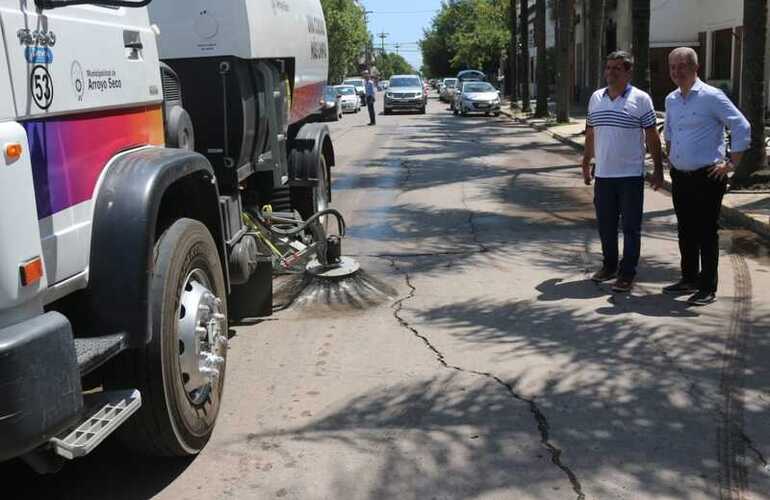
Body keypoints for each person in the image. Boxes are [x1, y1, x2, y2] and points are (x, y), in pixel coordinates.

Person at [662, 47, 750, 306]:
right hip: (681, 176)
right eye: (673, 67)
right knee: (685, 230)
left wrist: (731, 163)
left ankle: (707, 287)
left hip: (708, 176)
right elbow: (668, 131)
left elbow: (741, 125)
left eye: (682, 66)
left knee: (706, 232)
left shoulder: (712, 96)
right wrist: (672, 155)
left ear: (695, 68)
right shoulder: (671, 99)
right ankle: (688, 278)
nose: (677, 72)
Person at [581, 50, 664, 292]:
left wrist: (658, 170)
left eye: (617, 68)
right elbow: (590, 133)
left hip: (630, 176)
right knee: (605, 225)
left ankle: (627, 273)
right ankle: (609, 266)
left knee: (630, 227)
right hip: (604, 175)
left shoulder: (641, 99)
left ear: (628, 71)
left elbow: (652, 137)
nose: (611, 73)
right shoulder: (596, 98)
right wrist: (586, 161)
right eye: (608, 68)